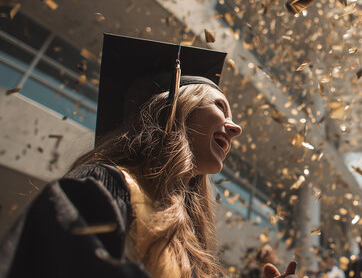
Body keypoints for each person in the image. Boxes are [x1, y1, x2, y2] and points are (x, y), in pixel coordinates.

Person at [0, 34, 242, 277]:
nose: (235, 129)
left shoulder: (189, 239)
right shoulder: (107, 185)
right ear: (175, 109)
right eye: (220, 107)